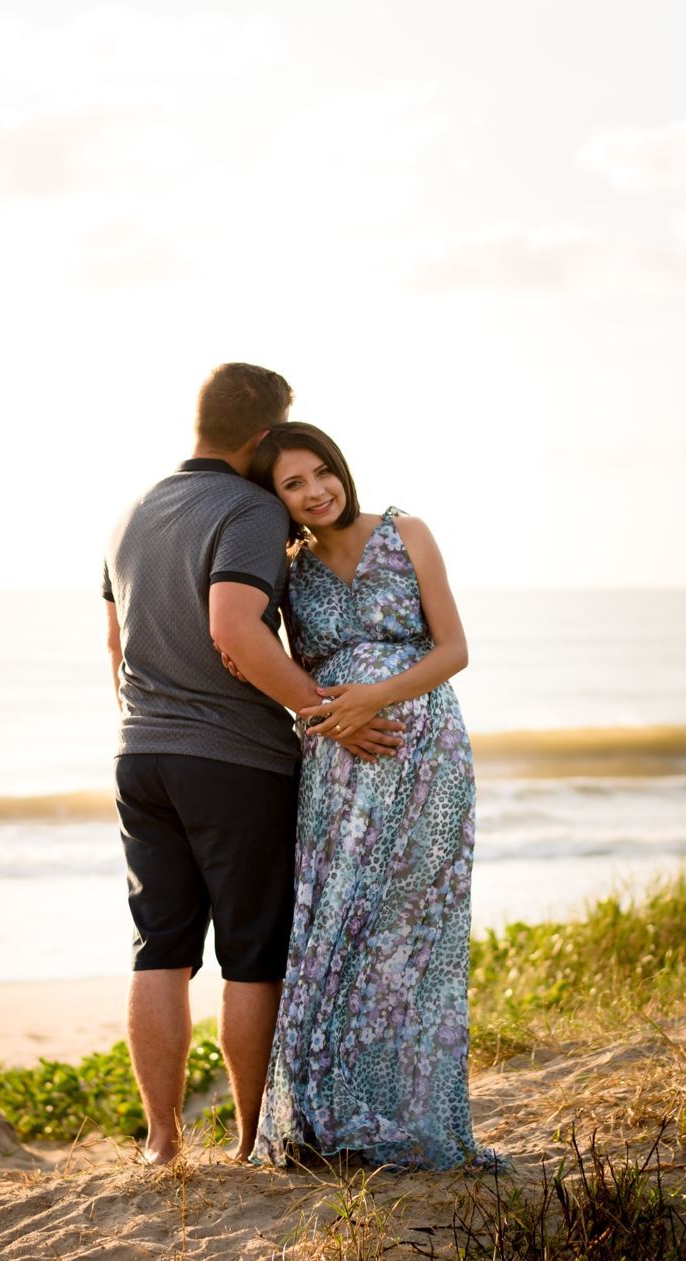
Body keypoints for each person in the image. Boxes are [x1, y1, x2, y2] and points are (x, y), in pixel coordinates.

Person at [101, 366, 403, 1165]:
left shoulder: (132, 510)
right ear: (264, 438)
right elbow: (235, 627)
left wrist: (152, 720)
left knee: (159, 947)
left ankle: (161, 1144)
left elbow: (113, 644)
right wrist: (323, 713)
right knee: (251, 954)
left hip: (142, 754)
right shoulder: (250, 508)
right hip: (234, 764)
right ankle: (245, 1143)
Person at [245, 422, 495, 1169]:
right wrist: (333, 721)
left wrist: (371, 700)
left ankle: (411, 1121)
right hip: (338, 766)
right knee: (337, 931)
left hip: (425, 757)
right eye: (293, 484)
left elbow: (454, 650)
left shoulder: (406, 531)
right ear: (276, 499)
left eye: (321, 472)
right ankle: (335, 1122)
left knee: (414, 934)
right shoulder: (288, 571)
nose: (315, 491)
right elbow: (286, 666)